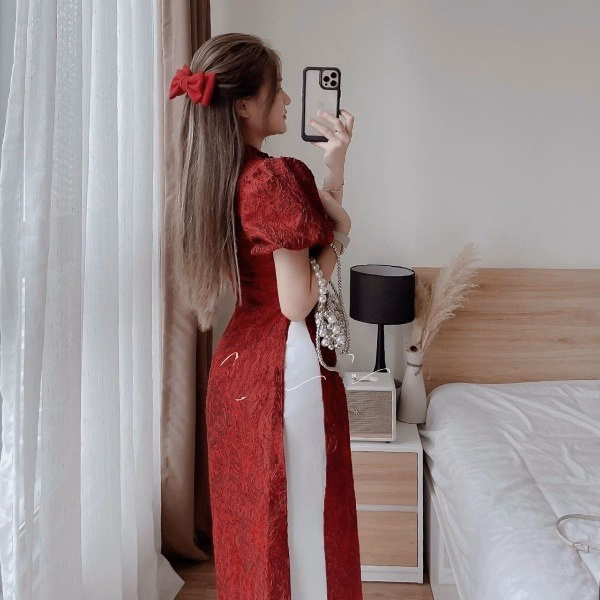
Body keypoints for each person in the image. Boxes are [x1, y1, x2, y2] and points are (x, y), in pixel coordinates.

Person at [168, 32, 362, 600]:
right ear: (245, 105)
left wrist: (335, 169)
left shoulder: (218, 174)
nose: (289, 100)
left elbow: (297, 237)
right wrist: (343, 235)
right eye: (278, 90)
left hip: (238, 367)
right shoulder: (274, 177)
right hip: (286, 365)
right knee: (303, 532)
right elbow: (297, 301)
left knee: (256, 534)